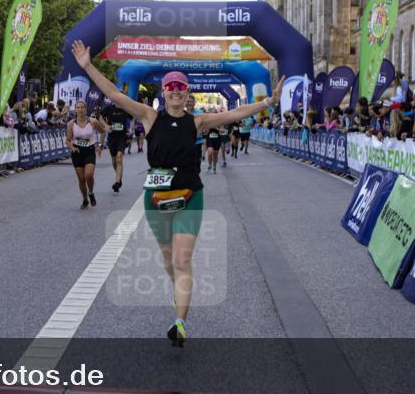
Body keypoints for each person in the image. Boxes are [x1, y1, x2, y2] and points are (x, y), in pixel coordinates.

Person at [71, 39, 283, 346]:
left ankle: (180, 322)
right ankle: (178, 292)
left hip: (190, 196)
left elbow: (235, 114)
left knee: (182, 259)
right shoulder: (150, 117)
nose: (175, 90)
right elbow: (115, 94)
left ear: (187, 93)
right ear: (164, 91)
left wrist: (267, 102)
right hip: (156, 199)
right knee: (169, 260)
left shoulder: (198, 121)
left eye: (180, 86)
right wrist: (88, 66)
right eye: (170, 86)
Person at [66, 100, 108, 209]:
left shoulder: (93, 121)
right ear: (75, 110)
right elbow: (68, 140)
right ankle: (85, 199)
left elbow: (103, 131)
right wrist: (73, 148)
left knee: (88, 175)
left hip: (89, 150)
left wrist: (100, 145)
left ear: (85, 109)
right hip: (77, 152)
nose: (80, 110)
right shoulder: (71, 124)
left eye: (82, 107)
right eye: (78, 108)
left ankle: (91, 192)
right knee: (81, 179)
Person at [98, 98, 130, 193]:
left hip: (122, 137)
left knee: (119, 157)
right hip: (112, 137)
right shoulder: (109, 108)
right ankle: (119, 177)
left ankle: (117, 181)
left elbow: (133, 118)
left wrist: (130, 129)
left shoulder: (126, 108)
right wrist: (106, 126)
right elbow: (100, 117)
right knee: (114, 161)